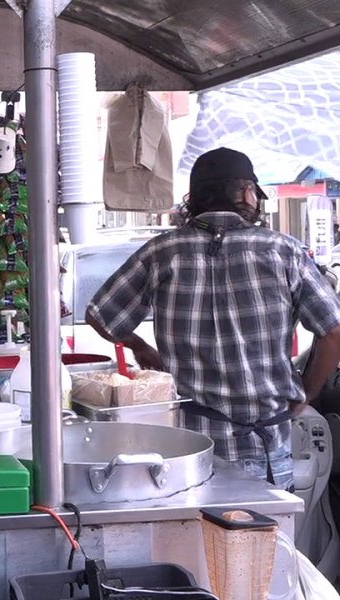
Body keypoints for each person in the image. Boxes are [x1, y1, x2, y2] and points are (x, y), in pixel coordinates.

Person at [85, 147, 340, 490]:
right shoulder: (285, 252)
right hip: (263, 452)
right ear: (247, 193)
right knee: (266, 543)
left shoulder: (161, 252)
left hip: (187, 456)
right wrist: (305, 394)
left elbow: (101, 316)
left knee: (193, 544)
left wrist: (139, 346)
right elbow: (333, 334)